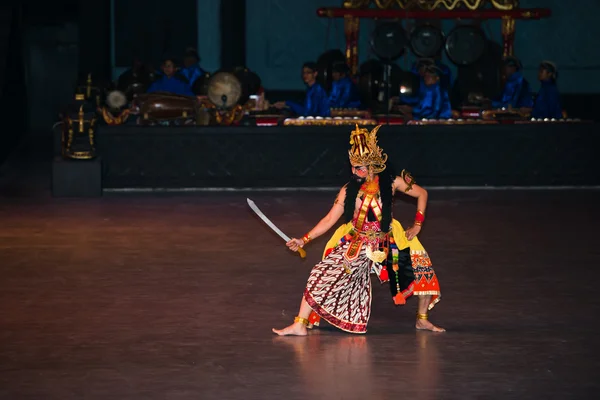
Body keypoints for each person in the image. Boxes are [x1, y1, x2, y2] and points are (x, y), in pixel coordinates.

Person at [272, 124, 444, 336]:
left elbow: (422, 194)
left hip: (389, 237)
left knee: (422, 268)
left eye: (360, 168)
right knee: (322, 273)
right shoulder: (348, 190)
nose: (355, 172)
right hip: (359, 240)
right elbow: (329, 219)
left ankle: (422, 319)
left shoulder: (392, 182)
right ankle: (300, 323)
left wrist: (417, 224)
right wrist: (303, 239)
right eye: (353, 167)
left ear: (373, 166)